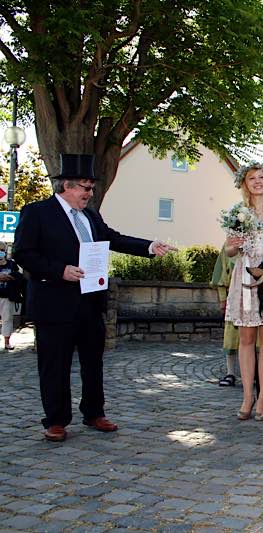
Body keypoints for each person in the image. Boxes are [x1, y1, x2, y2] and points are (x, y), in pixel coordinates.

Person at [13, 153, 176, 442]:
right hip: (54, 302)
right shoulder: (37, 212)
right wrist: (59, 271)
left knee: (93, 361)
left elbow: (113, 238)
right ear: (67, 186)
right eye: (86, 188)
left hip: (89, 300)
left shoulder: (91, 215)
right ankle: (55, 420)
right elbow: (23, 254)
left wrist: (149, 246)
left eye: (91, 188)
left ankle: (94, 412)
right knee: (55, 364)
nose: (90, 194)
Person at [224, 161, 263, 421]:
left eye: (262, 177)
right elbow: (228, 250)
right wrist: (234, 244)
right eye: (252, 178)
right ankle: (247, 396)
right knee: (247, 340)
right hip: (246, 276)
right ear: (245, 184)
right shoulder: (237, 211)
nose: (258, 181)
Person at [210, 244, 239, 387]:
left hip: (254, 295)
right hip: (233, 295)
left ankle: (257, 374)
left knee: (257, 336)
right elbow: (221, 273)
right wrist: (222, 298)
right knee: (231, 335)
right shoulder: (228, 245)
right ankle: (230, 373)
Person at [0, 241, 23, 350]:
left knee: (7, 319)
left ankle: (7, 342)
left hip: (7, 296)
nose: (1, 252)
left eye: (2, 250)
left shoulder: (11, 264)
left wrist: (10, 277)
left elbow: (19, 277)